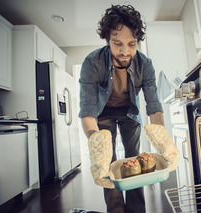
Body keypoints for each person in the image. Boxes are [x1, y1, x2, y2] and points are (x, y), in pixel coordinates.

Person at [78, 4, 165, 213]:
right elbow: (88, 111)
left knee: (135, 158)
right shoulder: (92, 63)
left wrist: (162, 143)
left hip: (130, 112)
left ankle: (137, 210)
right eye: (118, 44)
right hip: (103, 113)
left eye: (132, 44)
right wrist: (97, 147)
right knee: (108, 162)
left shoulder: (145, 65)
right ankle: (115, 209)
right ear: (107, 40)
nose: (125, 52)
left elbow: (153, 106)